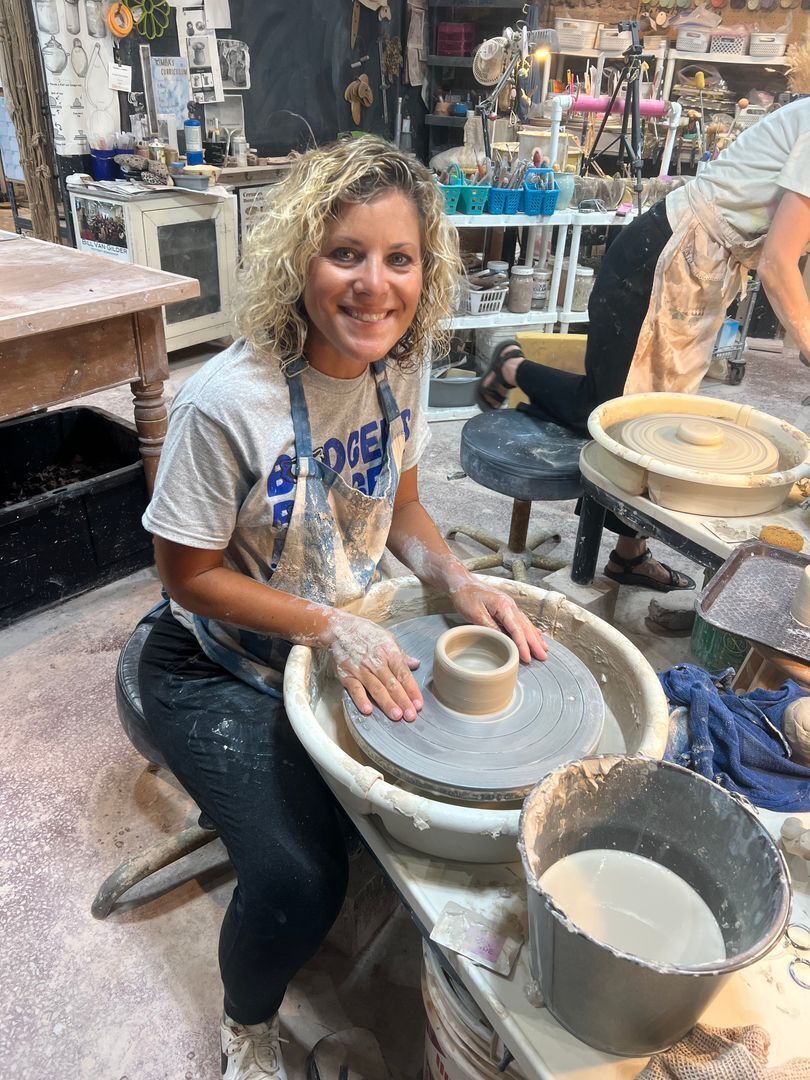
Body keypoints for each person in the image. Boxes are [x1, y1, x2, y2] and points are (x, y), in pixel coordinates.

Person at [136, 138, 547, 1080]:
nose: (374, 286)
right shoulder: (224, 404)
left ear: (425, 270)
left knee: (474, 799)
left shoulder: (398, 367)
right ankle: (246, 1023)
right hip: (216, 660)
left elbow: (401, 507)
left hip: (337, 622)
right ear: (298, 262)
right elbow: (185, 576)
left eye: (399, 259)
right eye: (345, 254)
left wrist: (453, 578)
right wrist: (330, 626)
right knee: (298, 878)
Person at [479, 97, 810, 592]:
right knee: (617, 415)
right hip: (660, 259)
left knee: (664, 419)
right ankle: (512, 367)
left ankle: (628, 555)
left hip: (702, 268)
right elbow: (778, 263)